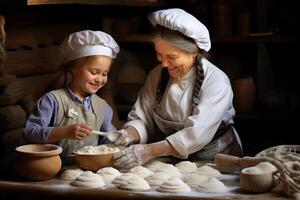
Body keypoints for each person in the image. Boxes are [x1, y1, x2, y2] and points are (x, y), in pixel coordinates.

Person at [112, 8, 243, 169]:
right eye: (160, 55)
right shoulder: (157, 75)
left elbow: (195, 135)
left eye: (172, 57)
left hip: (217, 161)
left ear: (194, 53)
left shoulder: (216, 82)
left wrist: (147, 151)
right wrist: (129, 134)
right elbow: (142, 118)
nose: (164, 64)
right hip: (173, 160)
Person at [24, 30, 120, 162]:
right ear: (73, 68)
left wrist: (121, 139)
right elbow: (30, 133)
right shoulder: (52, 101)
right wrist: (64, 132)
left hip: (89, 174)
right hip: (52, 171)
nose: (99, 79)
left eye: (104, 74)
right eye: (94, 72)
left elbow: (108, 140)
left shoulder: (103, 107)